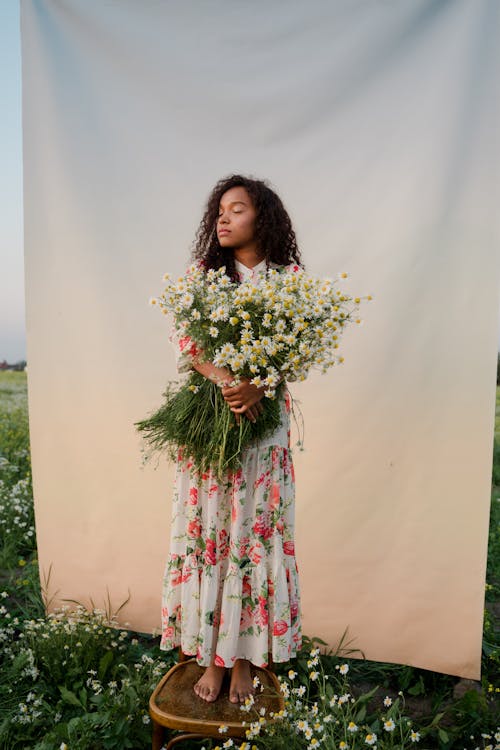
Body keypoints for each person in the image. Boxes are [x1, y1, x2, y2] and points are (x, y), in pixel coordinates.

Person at [159, 174, 303, 704]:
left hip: (265, 428)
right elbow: (187, 341)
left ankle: (242, 659)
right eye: (219, 210)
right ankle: (208, 659)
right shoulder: (204, 276)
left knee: (252, 536)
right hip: (210, 416)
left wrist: (259, 385)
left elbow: (294, 351)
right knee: (212, 532)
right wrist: (226, 382)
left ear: (261, 218)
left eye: (236, 210)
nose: (222, 218)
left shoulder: (288, 281)